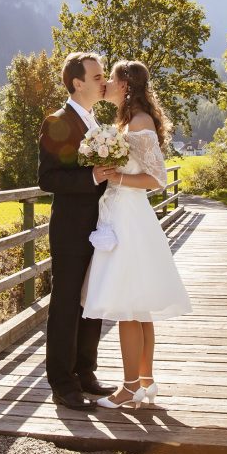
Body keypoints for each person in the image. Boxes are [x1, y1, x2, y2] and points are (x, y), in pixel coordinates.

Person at [80, 59, 193, 409]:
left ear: (125, 84)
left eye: (110, 79)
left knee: (129, 308)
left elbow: (156, 178)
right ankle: (145, 382)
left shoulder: (139, 122)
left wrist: (117, 178)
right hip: (121, 215)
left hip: (129, 219)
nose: (105, 85)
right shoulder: (129, 121)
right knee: (138, 309)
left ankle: (129, 388)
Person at [37, 51, 116, 410]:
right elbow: (47, 178)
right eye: (98, 77)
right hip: (70, 229)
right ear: (77, 83)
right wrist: (92, 176)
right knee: (67, 304)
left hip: (99, 227)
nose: (104, 82)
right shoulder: (58, 121)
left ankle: (85, 372)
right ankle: (62, 384)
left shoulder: (96, 125)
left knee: (92, 301)